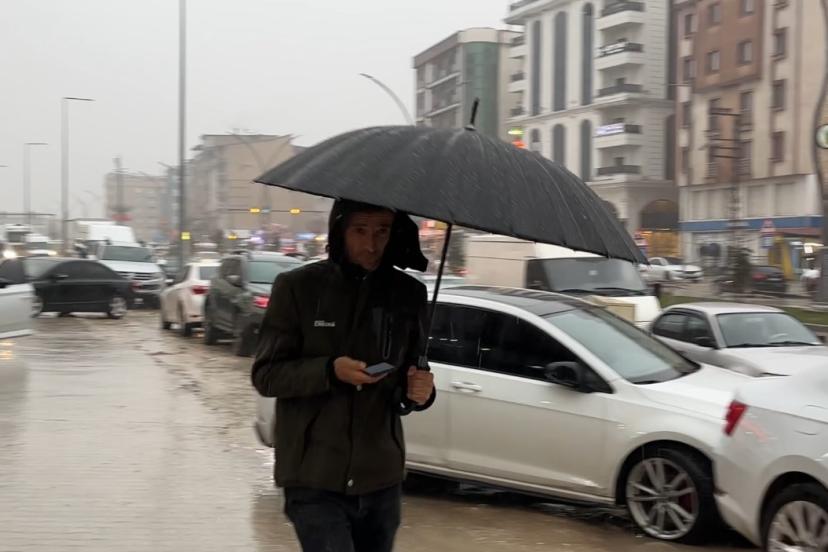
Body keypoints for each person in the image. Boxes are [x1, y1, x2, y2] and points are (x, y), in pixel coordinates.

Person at [251, 199, 436, 552]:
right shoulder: (298, 288)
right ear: (340, 231)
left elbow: (410, 377)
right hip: (313, 477)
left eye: (382, 231)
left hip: (381, 478)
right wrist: (329, 371)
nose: (371, 244)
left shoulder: (409, 294)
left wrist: (420, 392)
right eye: (360, 231)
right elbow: (267, 375)